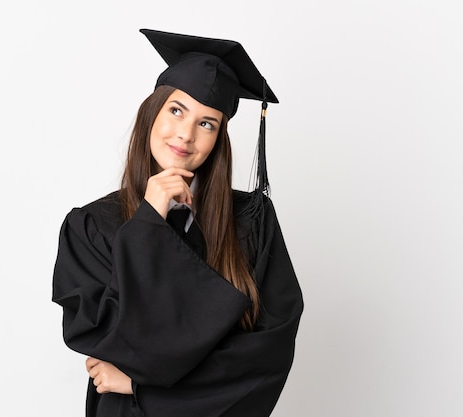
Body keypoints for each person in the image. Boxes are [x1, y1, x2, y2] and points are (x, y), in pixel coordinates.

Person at [52, 28, 304, 417]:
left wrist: (140, 384)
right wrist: (148, 222)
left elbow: (266, 356)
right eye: (176, 110)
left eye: (207, 123)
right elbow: (106, 337)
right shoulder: (91, 226)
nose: (186, 134)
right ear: (151, 113)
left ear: (219, 138)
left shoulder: (252, 223)